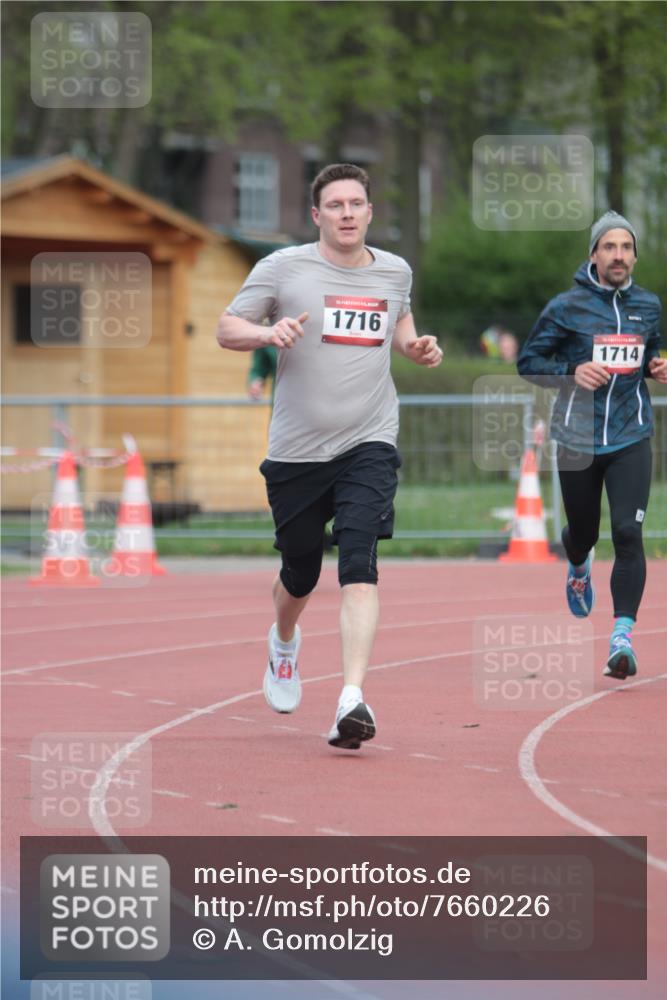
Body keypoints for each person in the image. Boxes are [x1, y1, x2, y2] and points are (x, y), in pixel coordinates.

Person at [217, 163, 443, 748]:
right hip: (296, 451)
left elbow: (401, 325)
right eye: (335, 205)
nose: (347, 214)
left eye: (356, 204)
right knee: (301, 572)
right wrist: (267, 336)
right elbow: (226, 327)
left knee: (360, 560)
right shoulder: (283, 268)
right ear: (317, 215)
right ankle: (284, 644)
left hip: (369, 439)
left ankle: (351, 697)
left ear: (370, 212)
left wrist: (416, 347)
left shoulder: (395, 271)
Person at [518, 210, 666, 680]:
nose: (618, 255)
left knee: (627, 532)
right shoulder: (566, 307)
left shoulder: (649, 305)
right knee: (584, 532)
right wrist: (571, 372)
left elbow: (649, 355)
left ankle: (621, 636)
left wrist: (657, 368)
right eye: (609, 247)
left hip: (631, 435)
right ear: (593, 255)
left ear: (635, 256)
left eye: (626, 248)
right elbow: (529, 361)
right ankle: (578, 564)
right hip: (578, 438)